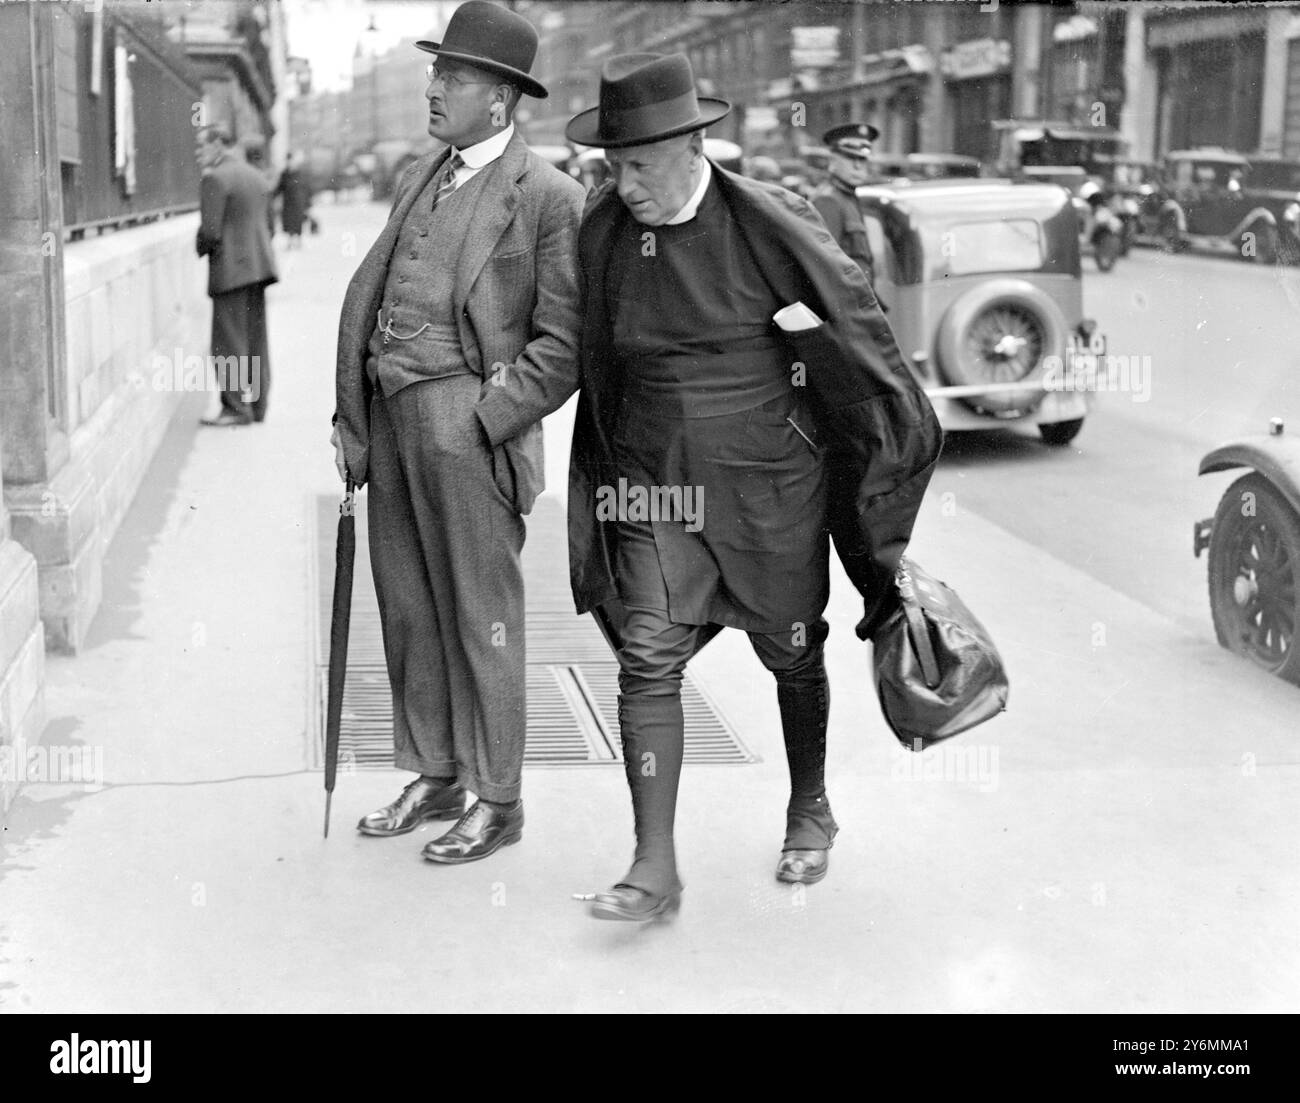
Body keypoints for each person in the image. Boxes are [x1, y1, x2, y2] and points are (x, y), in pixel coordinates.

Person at [564, 54, 942, 921]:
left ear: (694, 144)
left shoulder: (773, 222)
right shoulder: (603, 231)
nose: (626, 186)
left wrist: (813, 353)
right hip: (654, 488)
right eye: (614, 166)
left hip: (771, 486)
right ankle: (653, 866)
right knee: (648, 656)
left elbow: (860, 334)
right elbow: (589, 354)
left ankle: (809, 806)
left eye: (641, 165)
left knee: (791, 649)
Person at [330, 0, 584, 863]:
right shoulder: (420, 174)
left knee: (484, 617)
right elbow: (376, 295)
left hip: (468, 429)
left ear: (502, 100)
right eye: (437, 71)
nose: (435, 87)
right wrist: (351, 415)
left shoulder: (549, 197)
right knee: (408, 607)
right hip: (391, 421)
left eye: (455, 76)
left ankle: (499, 796)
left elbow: (564, 343)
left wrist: (487, 417)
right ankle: (436, 772)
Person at [195, 125, 277, 427]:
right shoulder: (256, 177)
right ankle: (257, 406)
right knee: (256, 340)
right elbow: (270, 226)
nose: (198, 153)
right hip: (258, 270)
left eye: (201, 147)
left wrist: (199, 246)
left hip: (230, 272)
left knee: (228, 343)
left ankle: (234, 409)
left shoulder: (214, 178)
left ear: (219, 145)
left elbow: (211, 232)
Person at [810, 122, 879, 285]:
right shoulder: (827, 200)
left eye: (862, 159)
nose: (857, 166)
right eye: (850, 158)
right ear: (832, 160)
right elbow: (825, 270)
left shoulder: (848, 196)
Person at [276, 151, 314, 248]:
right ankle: (289, 241)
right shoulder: (284, 174)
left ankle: (298, 241)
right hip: (288, 202)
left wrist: (308, 203)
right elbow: (279, 187)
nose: (290, 162)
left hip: (298, 201)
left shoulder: (300, 173)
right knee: (288, 222)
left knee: (298, 221)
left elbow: (307, 188)